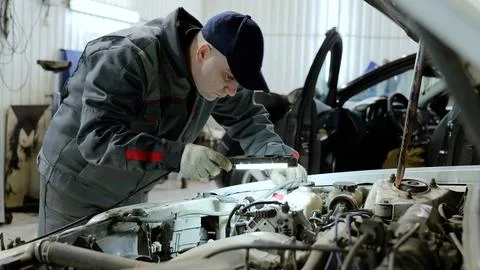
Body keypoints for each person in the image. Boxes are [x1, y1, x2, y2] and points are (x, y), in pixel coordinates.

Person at [37, 8, 307, 236]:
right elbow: (96, 139)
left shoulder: (215, 73)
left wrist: (275, 155)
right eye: (229, 78)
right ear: (203, 53)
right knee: (66, 260)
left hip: (132, 191)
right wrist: (177, 157)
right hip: (75, 188)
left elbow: (247, 118)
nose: (232, 90)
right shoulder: (129, 58)